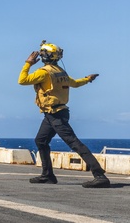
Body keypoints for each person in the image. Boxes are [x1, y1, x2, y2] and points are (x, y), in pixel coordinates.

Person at [18, 41, 109, 188]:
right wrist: (87, 79)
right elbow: (74, 83)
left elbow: (22, 80)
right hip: (54, 113)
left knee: (74, 142)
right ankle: (47, 175)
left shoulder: (43, 72)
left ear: (44, 56)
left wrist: (28, 63)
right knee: (40, 141)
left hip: (55, 114)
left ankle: (99, 175)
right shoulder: (60, 71)